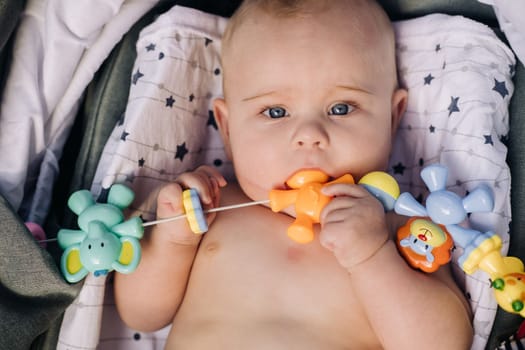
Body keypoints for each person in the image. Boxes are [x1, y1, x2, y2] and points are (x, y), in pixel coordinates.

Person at [114, 0, 473, 348]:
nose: (309, 135)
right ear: (227, 127)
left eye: (341, 107)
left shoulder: (402, 232)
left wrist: (371, 256)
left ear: (393, 118)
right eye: (275, 112)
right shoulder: (211, 209)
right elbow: (141, 316)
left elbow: (444, 343)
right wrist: (172, 240)